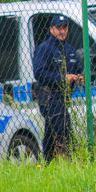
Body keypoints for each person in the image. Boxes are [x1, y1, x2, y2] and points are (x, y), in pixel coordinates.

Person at [32, 15, 83, 160]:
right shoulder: (44, 49)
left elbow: (78, 68)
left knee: (50, 133)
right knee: (64, 132)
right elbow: (39, 73)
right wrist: (62, 78)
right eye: (59, 28)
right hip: (49, 98)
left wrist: (80, 77)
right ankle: (72, 162)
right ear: (51, 30)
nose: (62, 31)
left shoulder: (70, 49)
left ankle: (46, 163)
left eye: (64, 28)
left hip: (64, 99)